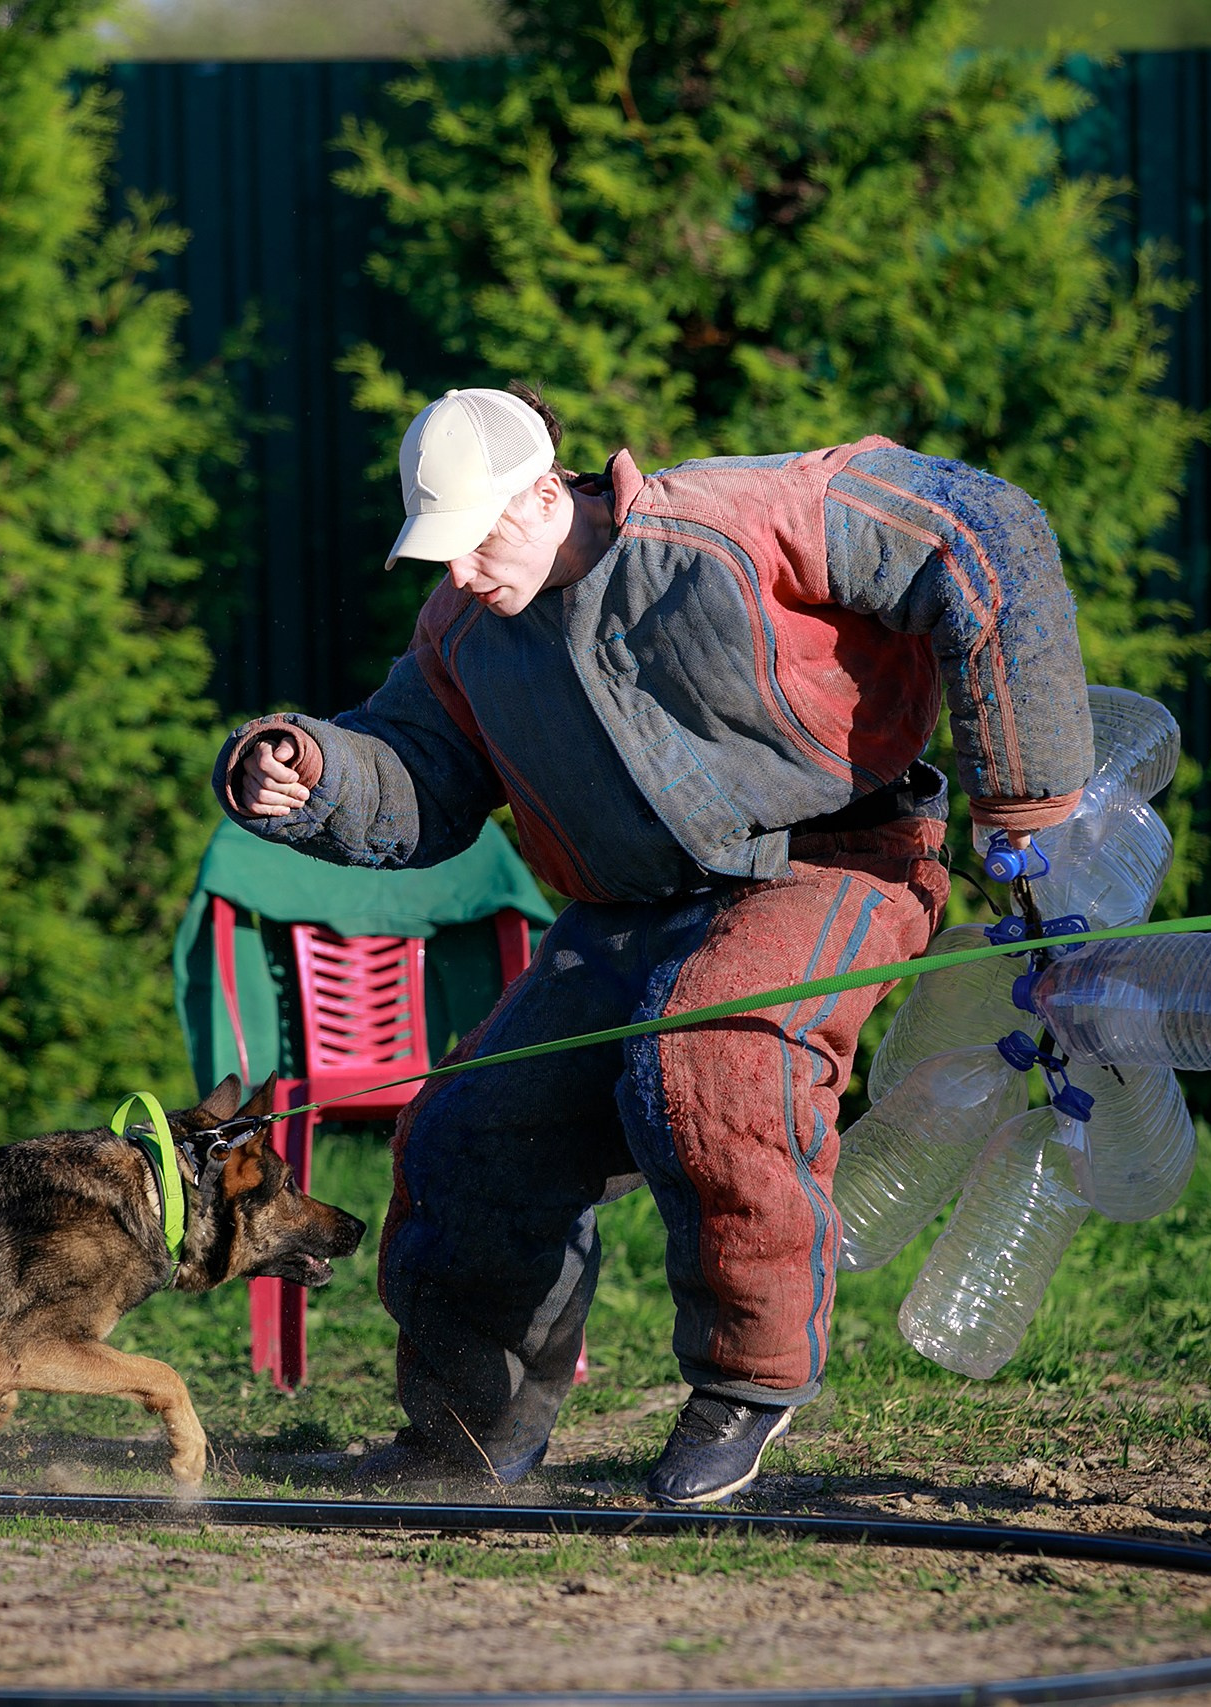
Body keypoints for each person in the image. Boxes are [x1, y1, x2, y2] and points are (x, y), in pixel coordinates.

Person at [214, 384, 1090, 1505]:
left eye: (478, 539)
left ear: (547, 492)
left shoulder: (739, 518)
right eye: (441, 550)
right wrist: (312, 770)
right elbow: (416, 772)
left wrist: (1023, 799)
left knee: (711, 1061)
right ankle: (466, 1441)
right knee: (470, 1130)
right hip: (629, 908)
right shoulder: (463, 633)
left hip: (838, 860)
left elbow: (979, 529)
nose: (462, 573)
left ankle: (746, 1385)